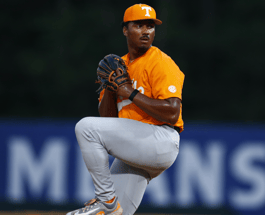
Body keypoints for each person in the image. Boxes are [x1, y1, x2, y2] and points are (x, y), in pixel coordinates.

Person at [66, 3, 184, 215]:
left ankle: (106, 200)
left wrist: (129, 92)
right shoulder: (119, 66)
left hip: (161, 139)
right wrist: (113, 90)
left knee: (85, 127)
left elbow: (172, 112)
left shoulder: (161, 62)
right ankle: (108, 205)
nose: (146, 31)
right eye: (139, 25)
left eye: (151, 26)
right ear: (125, 30)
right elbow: (109, 119)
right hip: (135, 150)